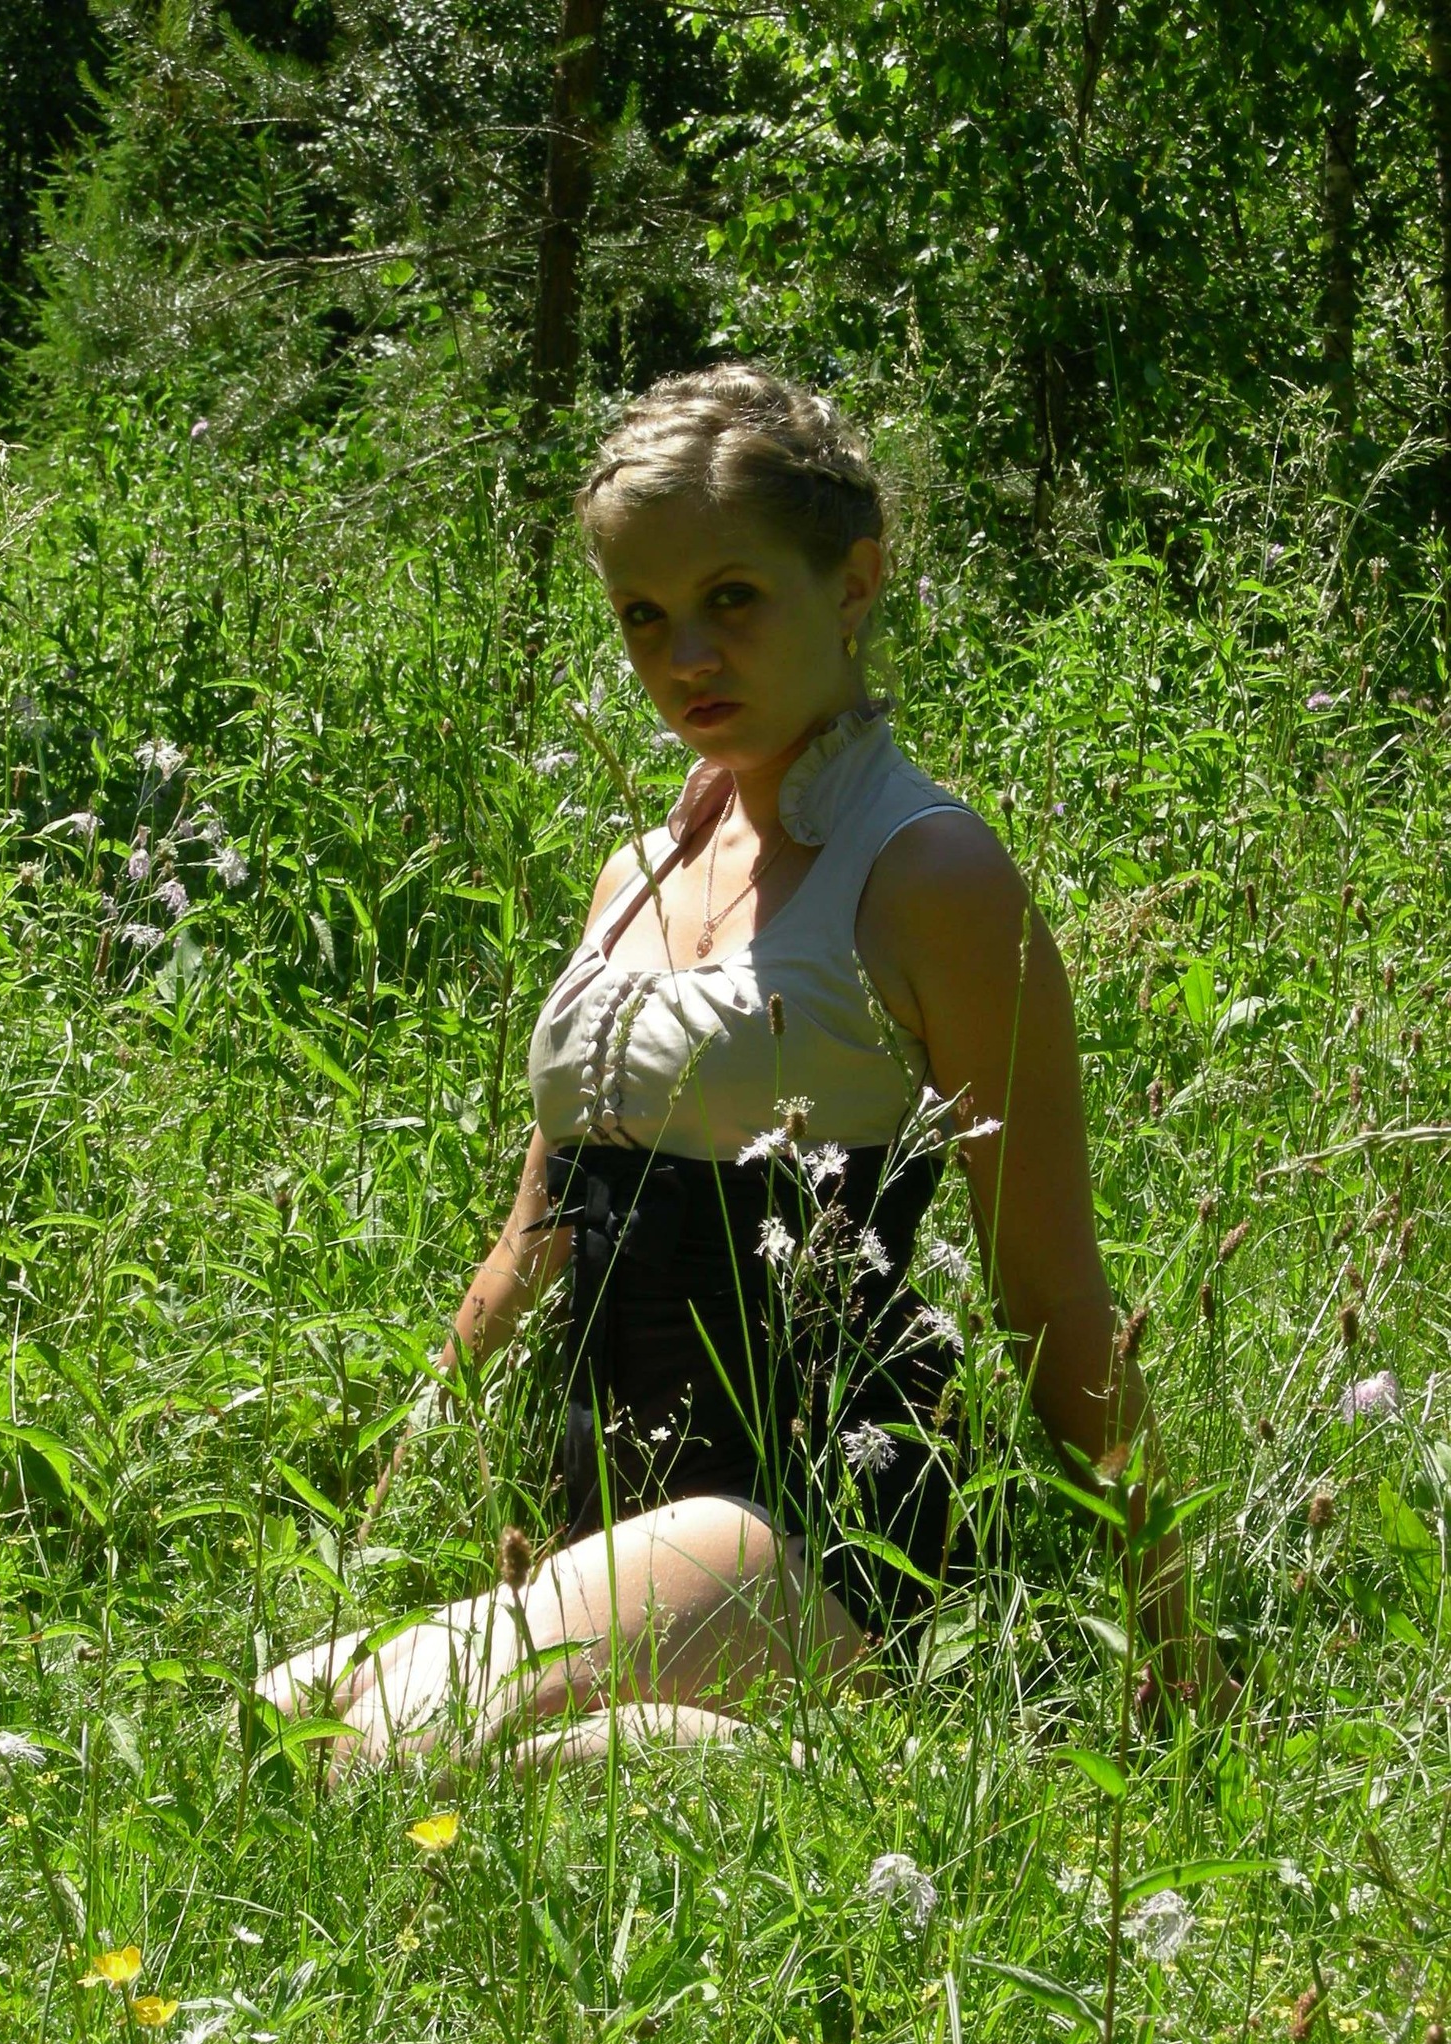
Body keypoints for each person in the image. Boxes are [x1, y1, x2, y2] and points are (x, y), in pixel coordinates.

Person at [258, 364, 1238, 1772]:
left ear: (854, 584)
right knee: (280, 1722)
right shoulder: (635, 878)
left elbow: (1052, 1292)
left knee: (392, 1756)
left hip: (817, 1506)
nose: (685, 659)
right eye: (643, 617)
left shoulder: (930, 874)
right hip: (606, 1504)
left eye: (732, 599)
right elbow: (533, 1237)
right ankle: (736, 1758)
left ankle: (873, 1767)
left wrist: (1173, 1635)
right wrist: (392, 1510)